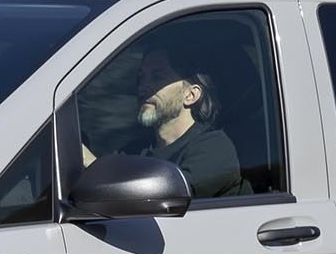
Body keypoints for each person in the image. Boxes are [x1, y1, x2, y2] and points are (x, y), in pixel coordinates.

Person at [102, 46, 250, 199]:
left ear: (191, 95)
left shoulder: (215, 148)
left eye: (157, 77)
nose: (143, 87)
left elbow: (170, 197)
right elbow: (101, 182)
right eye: (141, 77)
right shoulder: (135, 150)